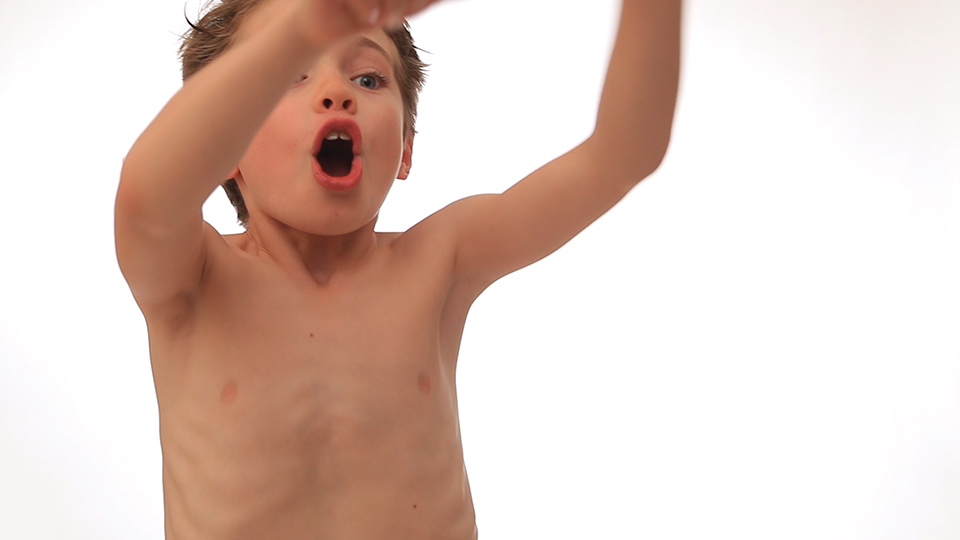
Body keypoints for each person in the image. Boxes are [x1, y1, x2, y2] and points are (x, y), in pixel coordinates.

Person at [114, 0, 681, 538]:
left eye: (368, 78)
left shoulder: (440, 261)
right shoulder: (193, 279)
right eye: (289, 74)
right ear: (223, 143)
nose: (337, 92)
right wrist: (301, 27)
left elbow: (621, 155)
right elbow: (146, 196)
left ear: (406, 148)